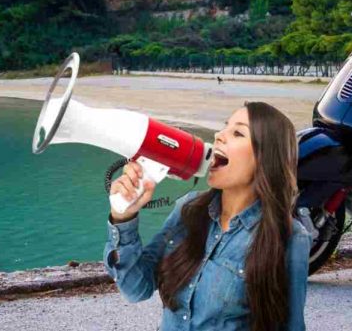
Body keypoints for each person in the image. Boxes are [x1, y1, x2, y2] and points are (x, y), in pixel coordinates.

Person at [103, 101, 311, 331]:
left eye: (238, 132)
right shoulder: (188, 209)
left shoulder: (290, 238)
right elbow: (136, 288)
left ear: (265, 158)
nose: (218, 135)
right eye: (224, 127)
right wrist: (122, 216)